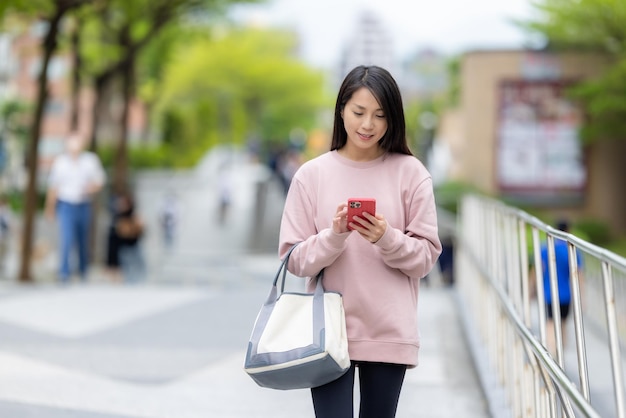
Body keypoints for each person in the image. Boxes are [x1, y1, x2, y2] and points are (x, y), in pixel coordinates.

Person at [278, 65, 442, 418]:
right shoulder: (311, 175)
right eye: (359, 112)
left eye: (380, 115)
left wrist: (386, 238)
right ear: (341, 110)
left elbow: (426, 259)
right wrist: (334, 236)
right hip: (327, 332)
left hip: (388, 332)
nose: (368, 124)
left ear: (393, 119)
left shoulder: (412, 173)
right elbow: (293, 259)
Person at [45, 131, 106, 283]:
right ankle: (64, 273)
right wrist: (50, 208)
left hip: (84, 203)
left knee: (82, 239)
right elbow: (53, 187)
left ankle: (83, 271)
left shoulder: (90, 160)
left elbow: (100, 182)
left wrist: (91, 188)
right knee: (66, 239)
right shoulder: (60, 162)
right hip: (65, 204)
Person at [540, 219, 583, 356]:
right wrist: (582, 295)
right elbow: (578, 275)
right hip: (566, 294)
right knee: (563, 323)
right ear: (568, 230)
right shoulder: (572, 250)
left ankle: (550, 351)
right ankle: (560, 353)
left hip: (549, 293)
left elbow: (538, 270)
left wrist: (530, 290)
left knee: (550, 322)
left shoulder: (546, 248)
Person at [0, 195, 11, 276]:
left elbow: (9, 224)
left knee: (4, 253)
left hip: (4, 236)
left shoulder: (7, 212)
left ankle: (2, 267)